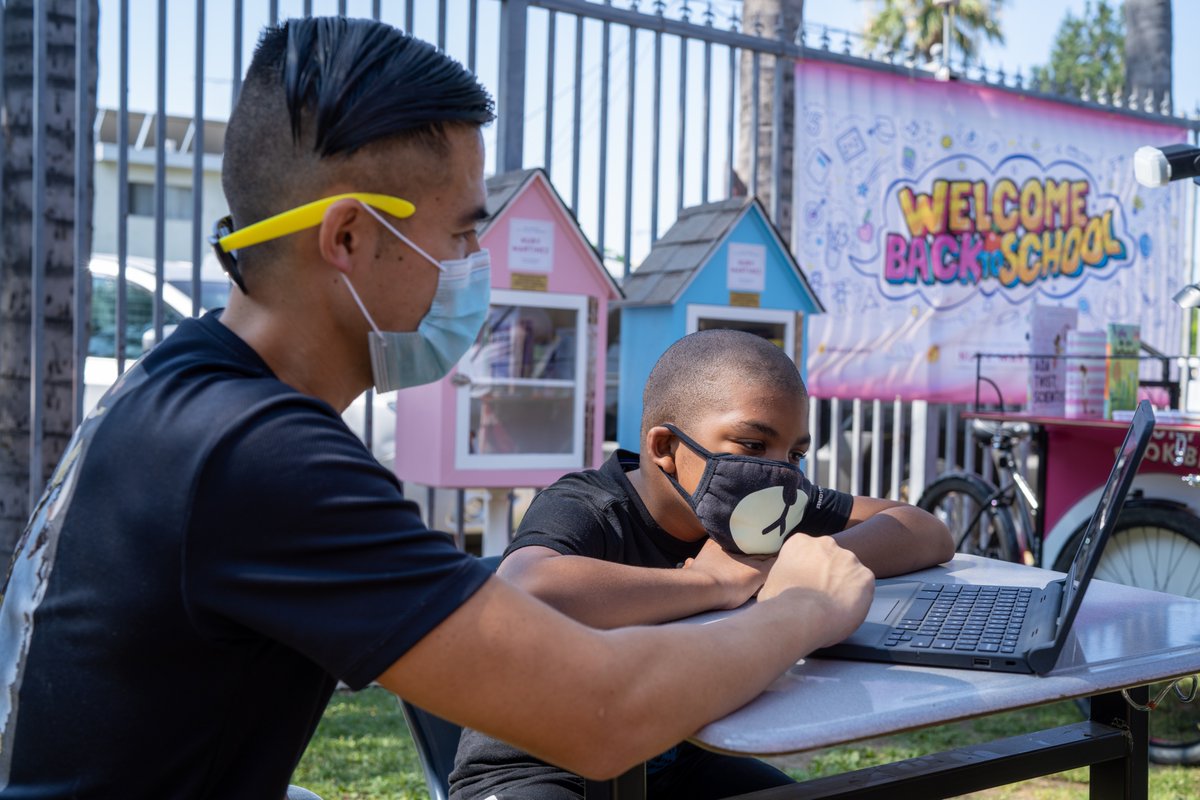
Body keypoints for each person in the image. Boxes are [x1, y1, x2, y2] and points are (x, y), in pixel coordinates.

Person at [0, 17, 877, 799]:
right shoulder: (258, 453)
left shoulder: (178, 384)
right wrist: (802, 609)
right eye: (460, 233)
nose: (472, 266)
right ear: (349, 236)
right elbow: (602, 714)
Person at [450, 329, 955, 799]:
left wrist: (808, 561)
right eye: (753, 445)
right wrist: (709, 580)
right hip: (539, 770)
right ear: (666, 448)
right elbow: (526, 588)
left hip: (674, 764)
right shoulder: (588, 505)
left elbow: (924, 529)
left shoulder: (778, 504)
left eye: (795, 455)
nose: (778, 472)